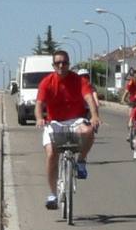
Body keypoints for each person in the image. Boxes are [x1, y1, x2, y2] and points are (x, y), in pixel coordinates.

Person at [35, 50, 100, 209]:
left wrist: (94, 116)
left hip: (75, 120)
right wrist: (39, 118)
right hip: (54, 122)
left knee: (89, 131)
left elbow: (89, 98)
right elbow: (39, 104)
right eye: (58, 63)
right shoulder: (47, 82)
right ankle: (52, 194)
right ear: (53, 65)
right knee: (51, 154)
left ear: (69, 64)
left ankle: (82, 161)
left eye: (64, 62)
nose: (61, 65)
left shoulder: (78, 81)